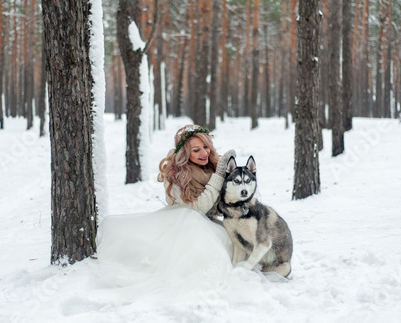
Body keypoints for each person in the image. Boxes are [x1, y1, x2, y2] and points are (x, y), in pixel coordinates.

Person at [97, 125, 274, 305]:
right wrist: (219, 175)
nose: (203, 153)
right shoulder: (176, 174)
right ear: (184, 153)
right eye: (196, 150)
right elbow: (197, 209)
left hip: (206, 222)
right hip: (184, 222)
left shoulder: (211, 167)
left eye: (206, 147)